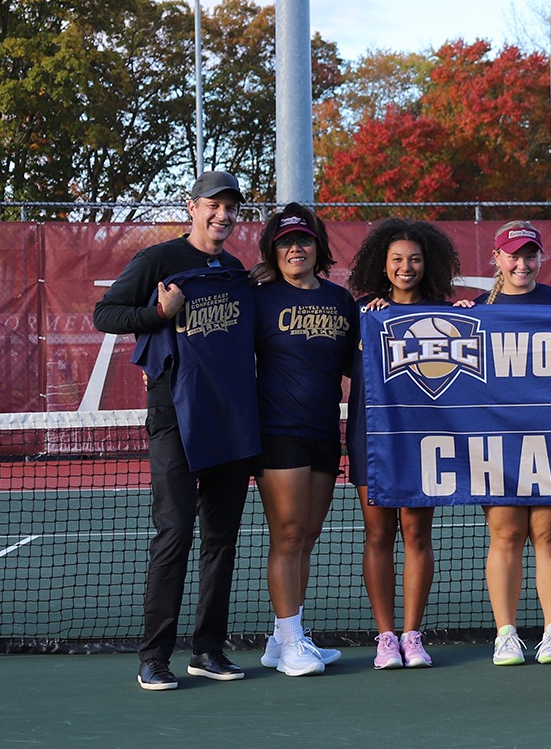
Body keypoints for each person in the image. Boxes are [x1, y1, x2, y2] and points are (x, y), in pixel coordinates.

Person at [92, 170, 254, 691]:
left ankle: (208, 649)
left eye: (231, 207)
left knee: (222, 538)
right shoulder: (158, 260)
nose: (222, 215)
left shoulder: (233, 270)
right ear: (192, 207)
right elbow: (104, 313)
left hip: (228, 418)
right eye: (213, 205)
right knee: (175, 532)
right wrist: (158, 313)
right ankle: (154, 656)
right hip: (172, 418)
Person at [456, 221, 551, 666]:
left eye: (530, 255)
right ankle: (505, 634)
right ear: (497, 259)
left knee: (549, 534)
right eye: (513, 255)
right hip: (499, 440)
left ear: (541, 258)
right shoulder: (473, 311)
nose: (521, 263)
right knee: (506, 534)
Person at [346, 218, 462, 671]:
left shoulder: (445, 314)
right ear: (382, 263)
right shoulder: (362, 312)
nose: (405, 267)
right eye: (396, 259)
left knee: (416, 533)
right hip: (369, 434)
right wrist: (366, 325)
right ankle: (386, 638)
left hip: (423, 437)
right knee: (378, 534)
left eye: (414, 259)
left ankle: (413, 635)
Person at [250, 203, 356, 677]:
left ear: (319, 247)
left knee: (308, 537)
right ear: (273, 251)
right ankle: (292, 640)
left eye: (304, 240)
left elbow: (362, 358)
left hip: (322, 432)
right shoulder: (259, 298)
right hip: (277, 432)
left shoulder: (340, 300)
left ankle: (283, 639)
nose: (296, 248)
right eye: (285, 242)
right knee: (288, 535)